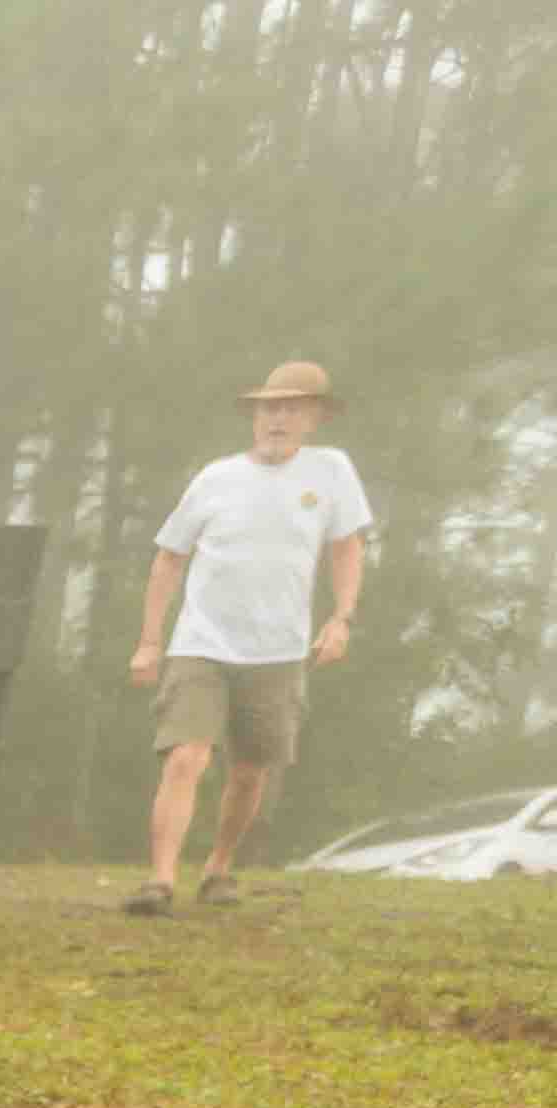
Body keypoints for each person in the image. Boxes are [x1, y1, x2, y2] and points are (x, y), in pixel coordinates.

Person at [126, 358, 376, 915]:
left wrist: (342, 618)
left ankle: (218, 868)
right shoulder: (216, 478)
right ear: (254, 416)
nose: (277, 420)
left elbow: (346, 548)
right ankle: (159, 881)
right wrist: (149, 641)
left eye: (291, 410)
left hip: (278, 650)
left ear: (315, 418)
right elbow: (169, 557)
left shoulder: (332, 471)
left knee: (250, 770)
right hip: (201, 643)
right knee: (186, 756)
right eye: (269, 409)